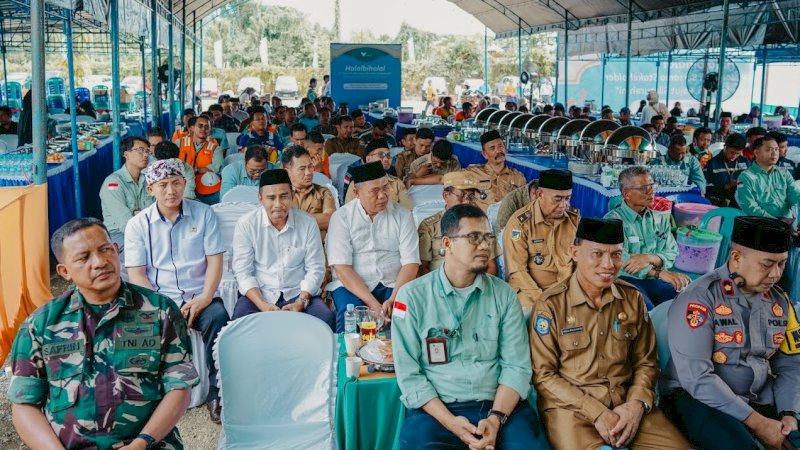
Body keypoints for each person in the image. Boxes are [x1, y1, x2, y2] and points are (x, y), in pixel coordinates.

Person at [6, 218, 198, 449]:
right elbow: (24, 404)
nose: (99, 262)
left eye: (105, 249)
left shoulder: (160, 311)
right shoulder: (40, 324)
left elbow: (179, 386)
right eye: (83, 257)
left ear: (116, 250)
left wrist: (141, 443)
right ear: (64, 271)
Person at [531, 217, 689, 450]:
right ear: (575, 252)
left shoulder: (632, 298)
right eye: (597, 254)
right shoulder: (551, 305)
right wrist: (595, 412)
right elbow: (544, 376)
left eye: (616, 255)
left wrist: (636, 404)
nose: (608, 264)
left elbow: (647, 362)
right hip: (574, 412)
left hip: (628, 405)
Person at [393, 204, 539, 450]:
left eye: (487, 237)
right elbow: (410, 376)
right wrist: (450, 422)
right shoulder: (412, 297)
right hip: (438, 410)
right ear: (448, 244)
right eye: (473, 237)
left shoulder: (503, 295)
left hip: (501, 407)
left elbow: (517, 366)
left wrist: (495, 419)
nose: (485, 246)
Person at [663, 216, 800, 450]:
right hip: (699, 400)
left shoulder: (780, 301)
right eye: (767, 264)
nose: (776, 274)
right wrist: (758, 423)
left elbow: (790, 365)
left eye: (782, 264)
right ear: (736, 258)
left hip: (757, 397)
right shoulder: (699, 299)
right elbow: (697, 378)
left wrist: (789, 413)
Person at [124, 158, 230, 424]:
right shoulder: (138, 225)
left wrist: (205, 298)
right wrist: (164, 308)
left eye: (176, 183)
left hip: (200, 295)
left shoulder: (204, 213)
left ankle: (218, 394)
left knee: (219, 320)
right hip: (159, 298)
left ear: (185, 183)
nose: (170, 191)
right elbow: (137, 275)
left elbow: (215, 261)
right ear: (151, 189)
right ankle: (147, 396)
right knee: (136, 327)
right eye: (163, 185)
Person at [230, 169, 334, 329]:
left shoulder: (307, 223)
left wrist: (301, 301)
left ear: (292, 196)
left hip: (298, 293)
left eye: (284, 196)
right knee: (240, 324)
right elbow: (243, 272)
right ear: (260, 199)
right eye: (271, 198)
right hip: (260, 294)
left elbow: (316, 268)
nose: (278, 204)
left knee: (324, 319)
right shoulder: (247, 224)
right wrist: (262, 304)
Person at [326, 161, 420, 332]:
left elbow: (411, 263)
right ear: (356, 192)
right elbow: (342, 269)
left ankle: (397, 357)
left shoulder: (403, 215)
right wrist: (373, 305)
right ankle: (348, 357)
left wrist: (394, 298)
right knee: (350, 315)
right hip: (352, 286)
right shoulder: (342, 218)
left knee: (406, 313)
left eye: (385, 188)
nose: (383, 195)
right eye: (375, 191)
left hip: (393, 284)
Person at [604, 166, 689, 308]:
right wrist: (658, 273)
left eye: (652, 185)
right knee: (645, 310)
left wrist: (649, 258)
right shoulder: (613, 221)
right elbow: (620, 261)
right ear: (626, 194)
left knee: (683, 303)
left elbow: (672, 251)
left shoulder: (659, 219)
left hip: (654, 279)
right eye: (643, 188)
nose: (651, 191)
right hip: (625, 280)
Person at [505, 169, 579, 309]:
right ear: (540, 194)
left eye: (567, 198)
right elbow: (518, 271)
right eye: (557, 199)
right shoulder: (520, 223)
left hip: (565, 293)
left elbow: (580, 262)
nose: (563, 205)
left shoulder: (573, 220)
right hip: (530, 294)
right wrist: (543, 300)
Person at [417, 171, 500, 277]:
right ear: (446, 196)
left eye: (471, 196)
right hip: (439, 287)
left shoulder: (482, 223)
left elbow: (491, 266)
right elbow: (422, 268)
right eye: (462, 195)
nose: (467, 202)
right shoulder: (429, 226)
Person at [99, 136, 154, 262]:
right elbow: (126, 224)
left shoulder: (148, 179)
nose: (145, 155)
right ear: (126, 154)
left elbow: (157, 211)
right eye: (140, 150)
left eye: (147, 151)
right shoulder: (113, 183)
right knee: (143, 255)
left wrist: (137, 213)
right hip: (119, 235)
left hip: (147, 230)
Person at [736, 135, 800, 222]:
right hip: (761, 224)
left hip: (788, 221)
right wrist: (777, 222)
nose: (774, 153)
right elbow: (750, 207)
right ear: (756, 153)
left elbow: (796, 197)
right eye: (769, 150)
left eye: (776, 149)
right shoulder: (746, 177)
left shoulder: (784, 173)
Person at [281, 145, 337, 240]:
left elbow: (330, 220)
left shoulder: (324, 192)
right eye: (302, 169)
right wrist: (318, 219)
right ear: (288, 172)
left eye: (310, 167)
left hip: (318, 247)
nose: (308, 172)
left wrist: (292, 219)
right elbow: (278, 222)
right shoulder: (281, 194)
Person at [465, 130, 526, 211]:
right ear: (484, 154)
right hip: (481, 221)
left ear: (505, 147)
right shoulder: (473, 173)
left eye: (500, 146)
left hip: (508, 222)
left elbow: (525, 206)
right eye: (492, 148)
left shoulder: (518, 177)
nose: (498, 150)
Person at [344, 139, 412, 210]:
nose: (386, 159)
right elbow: (350, 213)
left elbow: (407, 210)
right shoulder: (356, 184)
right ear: (368, 159)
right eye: (381, 155)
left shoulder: (397, 183)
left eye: (388, 155)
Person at [176, 115, 223, 204]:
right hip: (180, 184)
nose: (203, 129)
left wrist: (196, 170)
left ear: (210, 130)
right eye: (200, 126)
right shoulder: (179, 143)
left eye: (206, 127)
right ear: (193, 128)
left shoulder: (215, 148)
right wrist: (203, 169)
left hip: (204, 186)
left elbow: (216, 168)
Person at [704, 133, 750, 208]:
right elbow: (707, 189)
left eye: (738, 153)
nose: (734, 156)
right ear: (725, 147)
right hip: (718, 203)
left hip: (742, 202)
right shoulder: (713, 164)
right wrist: (727, 186)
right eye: (732, 152)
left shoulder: (745, 162)